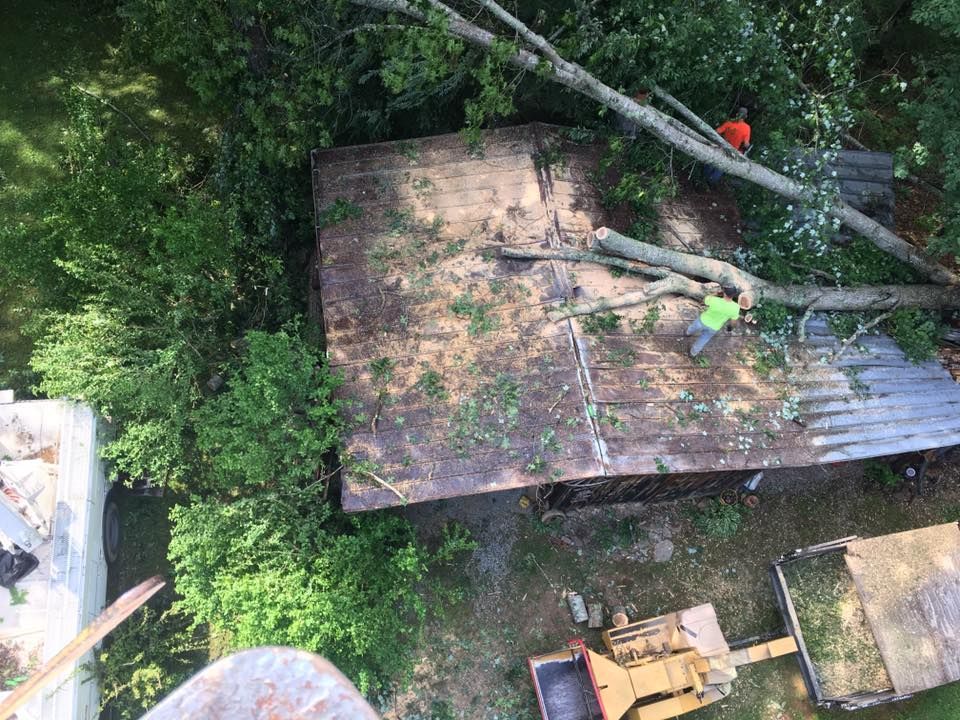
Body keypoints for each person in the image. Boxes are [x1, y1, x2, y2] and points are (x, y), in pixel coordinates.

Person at [686, 287, 752, 357]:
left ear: (724, 293)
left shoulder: (714, 300)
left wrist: (716, 293)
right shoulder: (736, 307)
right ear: (734, 295)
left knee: (693, 327)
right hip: (714, 327)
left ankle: (688, 333)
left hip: (702, 321)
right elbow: (733, 321)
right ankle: (693, 353)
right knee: (703, 340)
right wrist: (730, 327)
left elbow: (704, 300)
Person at [704, 107, 752, 185]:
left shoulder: (729, 123)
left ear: (737, 114)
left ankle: (702, 181)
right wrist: (748, 147)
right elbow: (746, 144)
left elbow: (717, 132)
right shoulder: (747, 128)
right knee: (718, 172)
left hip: (720, 148)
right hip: (731, 154)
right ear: (746, 116)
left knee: (709, 165)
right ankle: (708, 184)